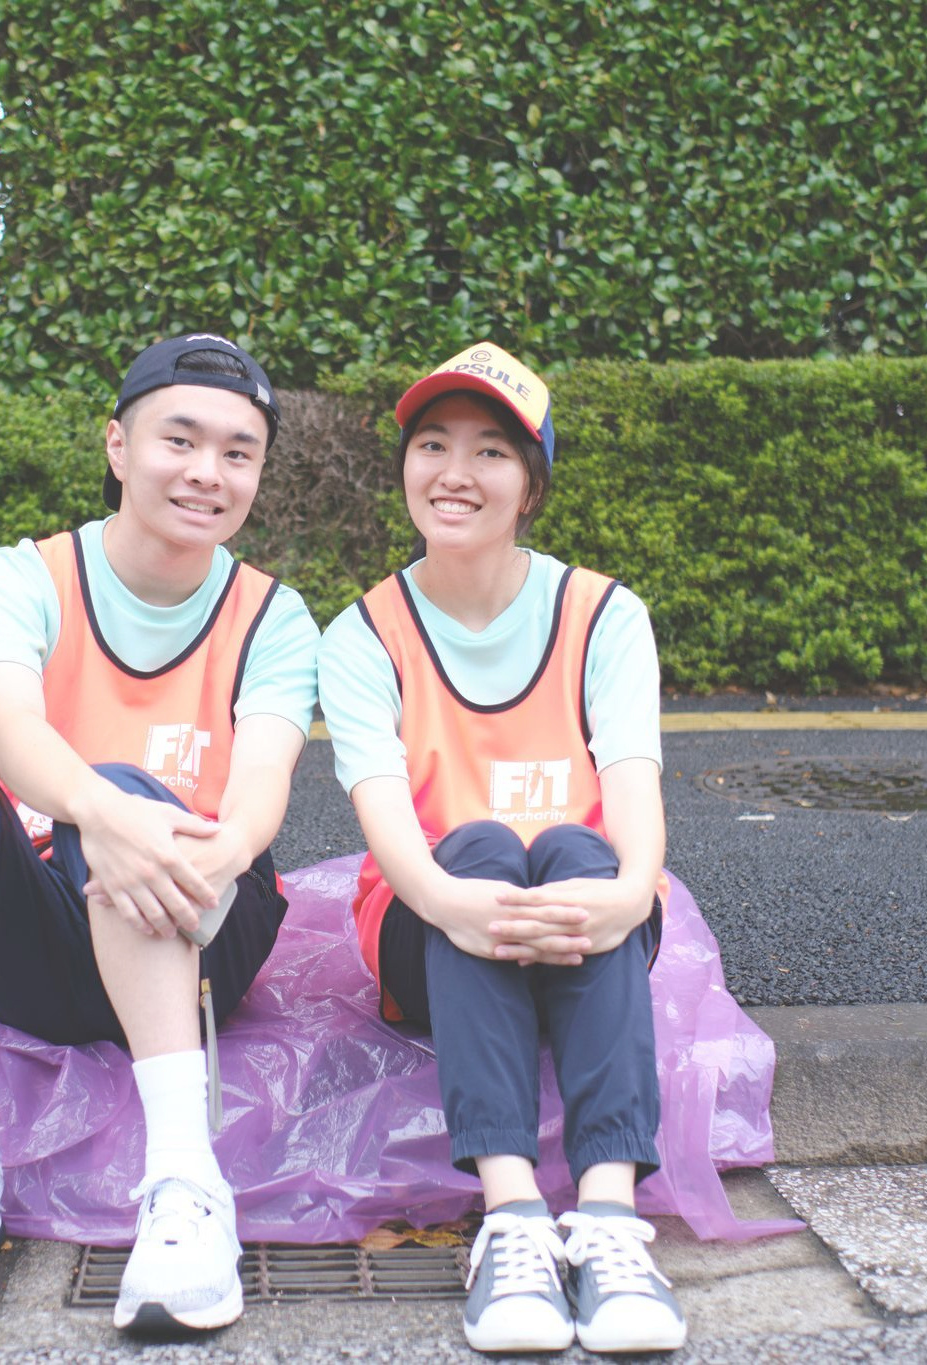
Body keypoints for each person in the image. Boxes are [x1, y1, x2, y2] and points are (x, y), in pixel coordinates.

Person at [0, 334, 319, 1334]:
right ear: (117, 444)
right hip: (36, 939)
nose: (207, 472)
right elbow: (7, 732)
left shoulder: (274, 618)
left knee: (126, 805)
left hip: (198, 933)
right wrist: (106, 815)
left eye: (238, 452)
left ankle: (186, 1183)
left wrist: (194, 851)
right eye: (179, 440)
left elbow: (260, 788)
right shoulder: (19, 578)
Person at [317, 343, 686, 1355]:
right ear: (405, 468)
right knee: (475, 844)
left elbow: (634, 789)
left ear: (530, 486)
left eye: (490, 451)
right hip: (427, 923)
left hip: (582, 912)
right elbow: (391, 828)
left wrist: (631, 893)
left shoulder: (604, 614)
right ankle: (514, 1216)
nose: (455, 472)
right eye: (431, 445)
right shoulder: (363, 634)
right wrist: (452, 900)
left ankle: (609, 1222)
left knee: (576, 845)